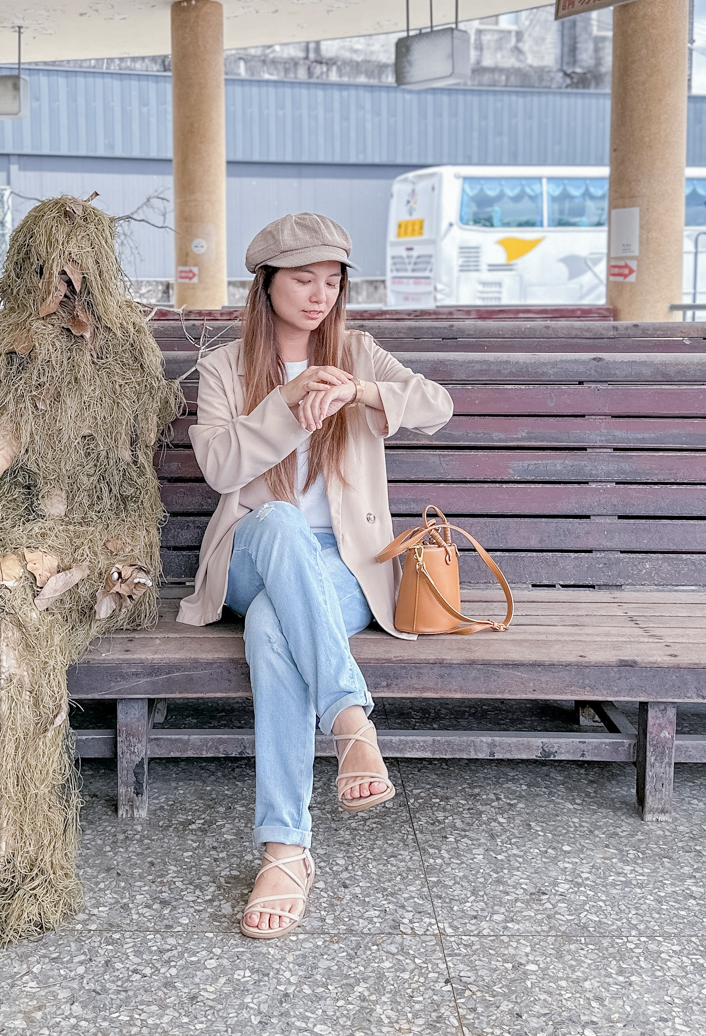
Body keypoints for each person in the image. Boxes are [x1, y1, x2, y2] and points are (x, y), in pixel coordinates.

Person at [178, 213, 454, 940]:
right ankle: (349, 718)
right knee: (277, 523)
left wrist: (361, 393)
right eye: (303, 279)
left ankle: (286, 851)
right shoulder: (222, 370)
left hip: (342, 567)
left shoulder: (358, 351)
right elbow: (219, 468)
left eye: (332, 281)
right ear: (264, 284)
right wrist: (287, 406)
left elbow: (437, 405)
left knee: (275, 628)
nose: (319, 295)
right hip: (250, 551)